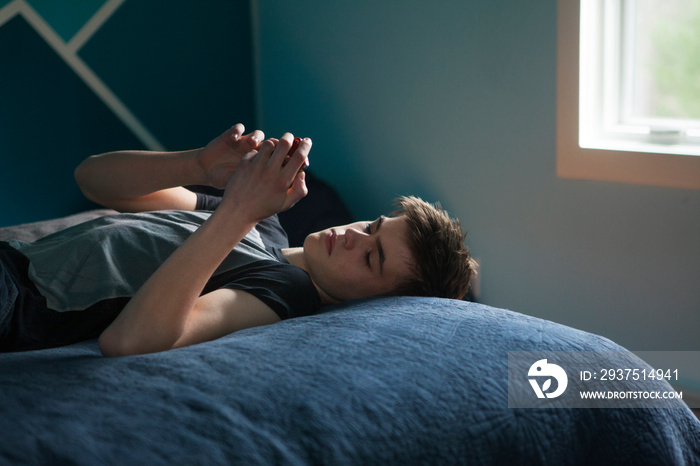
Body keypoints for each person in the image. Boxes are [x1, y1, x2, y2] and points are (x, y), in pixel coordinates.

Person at [0, 124, 475, 357]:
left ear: (378, 303)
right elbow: (94, 179)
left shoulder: (286, 290)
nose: (352, 237)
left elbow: (130, 342)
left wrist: (238, 210)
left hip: (17, 297)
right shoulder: (265, 227)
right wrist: (197, 167)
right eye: (370, 227)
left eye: (372, 259)